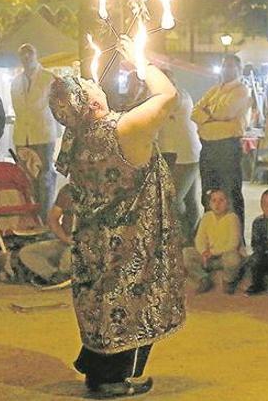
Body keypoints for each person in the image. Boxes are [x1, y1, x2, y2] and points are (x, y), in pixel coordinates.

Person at [48, 52, 183, 397]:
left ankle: (98, 371)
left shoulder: (76, 136)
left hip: (94, 238)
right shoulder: (125, 129)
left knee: (98, 299)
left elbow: (74, 185)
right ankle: (110, 379)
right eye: (86, 84)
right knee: (127, 300)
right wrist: (142, 60)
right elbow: (167, 96)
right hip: (131, 237)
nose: (93, 80)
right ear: (91, 104)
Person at [191, 55, 251, 228]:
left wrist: (208, 115)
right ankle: (212, 236)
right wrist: (213, 117)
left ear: (239, 70)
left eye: (231, 66)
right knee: (208, 194)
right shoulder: (214, 90)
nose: (227, 69)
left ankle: (235, 238)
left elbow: (225, 112)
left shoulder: (241, 91)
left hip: (227, 148)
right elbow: (194, 112)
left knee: (230, 194)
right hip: (208, 148)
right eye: (224, 66)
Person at [12, 44, 59, 217]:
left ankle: (46, 217)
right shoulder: (16, 81)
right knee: (26, 178)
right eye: (22, 54)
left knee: (44, 177)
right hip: (22, 137)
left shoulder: (49, 78)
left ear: (36, 55)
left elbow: (57, 107)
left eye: (29, 54)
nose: (26, 57)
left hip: (43, 135)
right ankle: (31, 217)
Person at [159, 84, 203, 237]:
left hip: (186, 155)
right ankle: (193, 236)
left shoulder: (178, 97)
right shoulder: (177, 96)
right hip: (182, 153)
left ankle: (184, 234)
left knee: (174, 199)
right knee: (190, 199)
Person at [184, 189, 244, 294]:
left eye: (221, 200)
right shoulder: (207, 216)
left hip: (223, 257)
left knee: (233, 258)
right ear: (210, 203)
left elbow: (233, 244)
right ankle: (203, 278)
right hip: (208, 258)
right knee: (186, 253)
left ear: (228, 203)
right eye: (214, 200)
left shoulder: (232, 218)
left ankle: (228, 281)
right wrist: (203, 251)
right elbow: (199, 238)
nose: (217, 204)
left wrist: (213, 252)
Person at [18, 183, 76, 286]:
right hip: (65, 242)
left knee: (68, 260)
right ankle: (55, 276)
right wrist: (65, 239)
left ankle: (61, 275)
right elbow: (52, 218)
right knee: (26, 252)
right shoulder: (67, 191)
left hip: (83, 246)